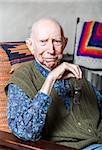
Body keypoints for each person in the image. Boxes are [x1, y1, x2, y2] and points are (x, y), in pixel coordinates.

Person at [5, 17, 102, 150]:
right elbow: (26, 132)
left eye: (56, 41)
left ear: (64, 43)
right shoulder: (22, 78)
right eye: (43, 42)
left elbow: (98, 105)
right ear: (30, 45)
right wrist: (50, 79)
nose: (51, 50)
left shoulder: (73, 72)